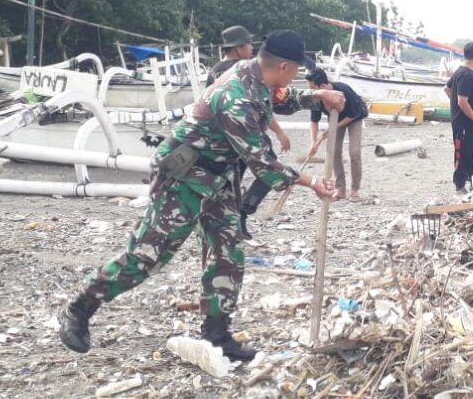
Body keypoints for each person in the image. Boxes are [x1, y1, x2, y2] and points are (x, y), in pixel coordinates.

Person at [58, 31, 345, 361]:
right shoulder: (236, 97)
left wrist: (315, 97)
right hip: (185, 179)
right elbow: (262, 164)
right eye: (296, 70)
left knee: (227, 252)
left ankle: (216, 333)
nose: (296, 75)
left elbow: (277, 98)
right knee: (148, 255)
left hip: (219, 178)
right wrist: (312, 182)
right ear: (283, 66)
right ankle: (79, 308)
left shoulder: (256, 73)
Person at [208, 25, 291, 152]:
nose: (252, 48)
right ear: (237, 47)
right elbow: (261, 108)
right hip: (242, 132)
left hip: (217, 138)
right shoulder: (243, 71)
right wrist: (279, 132)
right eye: (248, 43)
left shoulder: (214, 71)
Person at [306, 67, 368, 201]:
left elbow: (354, 114)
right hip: (336, 118)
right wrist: (313, 143)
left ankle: (355, 190)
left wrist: (333, 128)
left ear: (322, 86)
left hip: (354, 118)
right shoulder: (316, 98)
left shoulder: (343, 90)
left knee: (354, 152)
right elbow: (314, 121)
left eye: (313, 88)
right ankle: (340, 189)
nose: (311, 92)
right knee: (333, 151)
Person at [444, 42, 473, 193]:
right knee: (462, 154)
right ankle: (460, 185)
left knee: (470, 152)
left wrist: (456, 106)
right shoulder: (466, 75)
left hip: (465, 123)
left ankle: (470, 181)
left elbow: (447, 89)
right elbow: (462, 101)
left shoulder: (461, 72)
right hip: (464, 124)